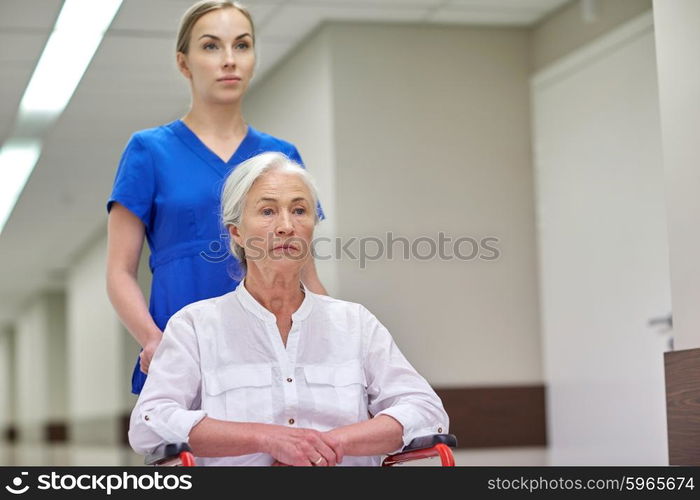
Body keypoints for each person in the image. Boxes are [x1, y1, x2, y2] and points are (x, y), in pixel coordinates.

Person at [128, 153, 449, 466]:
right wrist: (266, 438)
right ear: (236, 231)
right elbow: (149, 422)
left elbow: (426, 411)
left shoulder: (355, 323)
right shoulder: (194, 325)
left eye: (299, 210)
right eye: (267, 211)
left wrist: (329, 444)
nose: (286, 226)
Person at [106, 1, 326, 396]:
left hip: (274, 354)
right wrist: (153, 339)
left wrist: (335, 337)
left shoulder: (281, 155)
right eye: (211, 46)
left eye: (241, 45)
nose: (229, 60)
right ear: (184, 63)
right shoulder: (149, 151)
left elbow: (305, 272)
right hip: (182, 354)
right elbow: (119, 271)